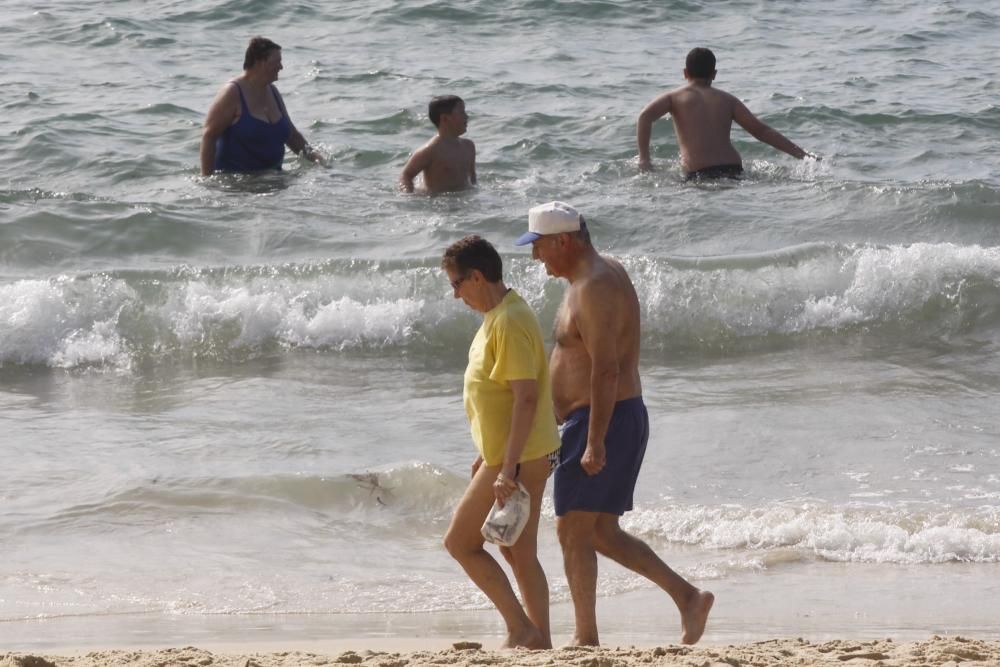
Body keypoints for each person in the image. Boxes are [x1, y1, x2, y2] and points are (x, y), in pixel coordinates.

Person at [515, 201, 715, 646]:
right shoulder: (598, 274)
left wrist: (595, 441)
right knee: (599, 531)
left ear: (563, 241)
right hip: (603, 418)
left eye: (540, 247)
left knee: (572, 530)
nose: (536, 258)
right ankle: (688, 598)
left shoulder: (594, 286)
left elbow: (606, 368)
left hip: (603, 419)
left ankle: (586, 636)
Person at [441, 235, 560, 650]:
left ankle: (521, 629)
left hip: (519, 458)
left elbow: (527, 398)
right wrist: (485, 455)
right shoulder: (499, 314)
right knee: (517, 552)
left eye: (457, 284)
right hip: (512, 453)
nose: (455, 295)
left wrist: (506, 468)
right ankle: (538, 638)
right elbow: (502, 398)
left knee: (461, 542)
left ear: (476, 277)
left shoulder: (508, 321)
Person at [637, 47, 817, 179]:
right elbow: (762, 132)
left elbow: (645, 117)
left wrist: (645, 159)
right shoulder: (728, 100)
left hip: (699, 174)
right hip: (734, 169)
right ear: (714, 74)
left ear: (685, 72)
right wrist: (803, 155)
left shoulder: (674, 98)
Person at [200, 36, 322, 176]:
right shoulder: (232, 92)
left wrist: (317, 159)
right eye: (277, 62)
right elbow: (208, 135)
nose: (281, 67)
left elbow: (292, 136)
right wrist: (207, 180)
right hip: (237, 187)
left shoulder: (273, 92)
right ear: (259, 62)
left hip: (273, 181)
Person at [400, 95, 477, 193]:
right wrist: (408, 194)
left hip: (463, 200)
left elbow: (472, 177)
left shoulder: (469, 146)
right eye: (461, 112)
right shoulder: (430, 150)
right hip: (437, 201)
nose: (467, 116)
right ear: (444, 118)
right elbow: (406, 175)